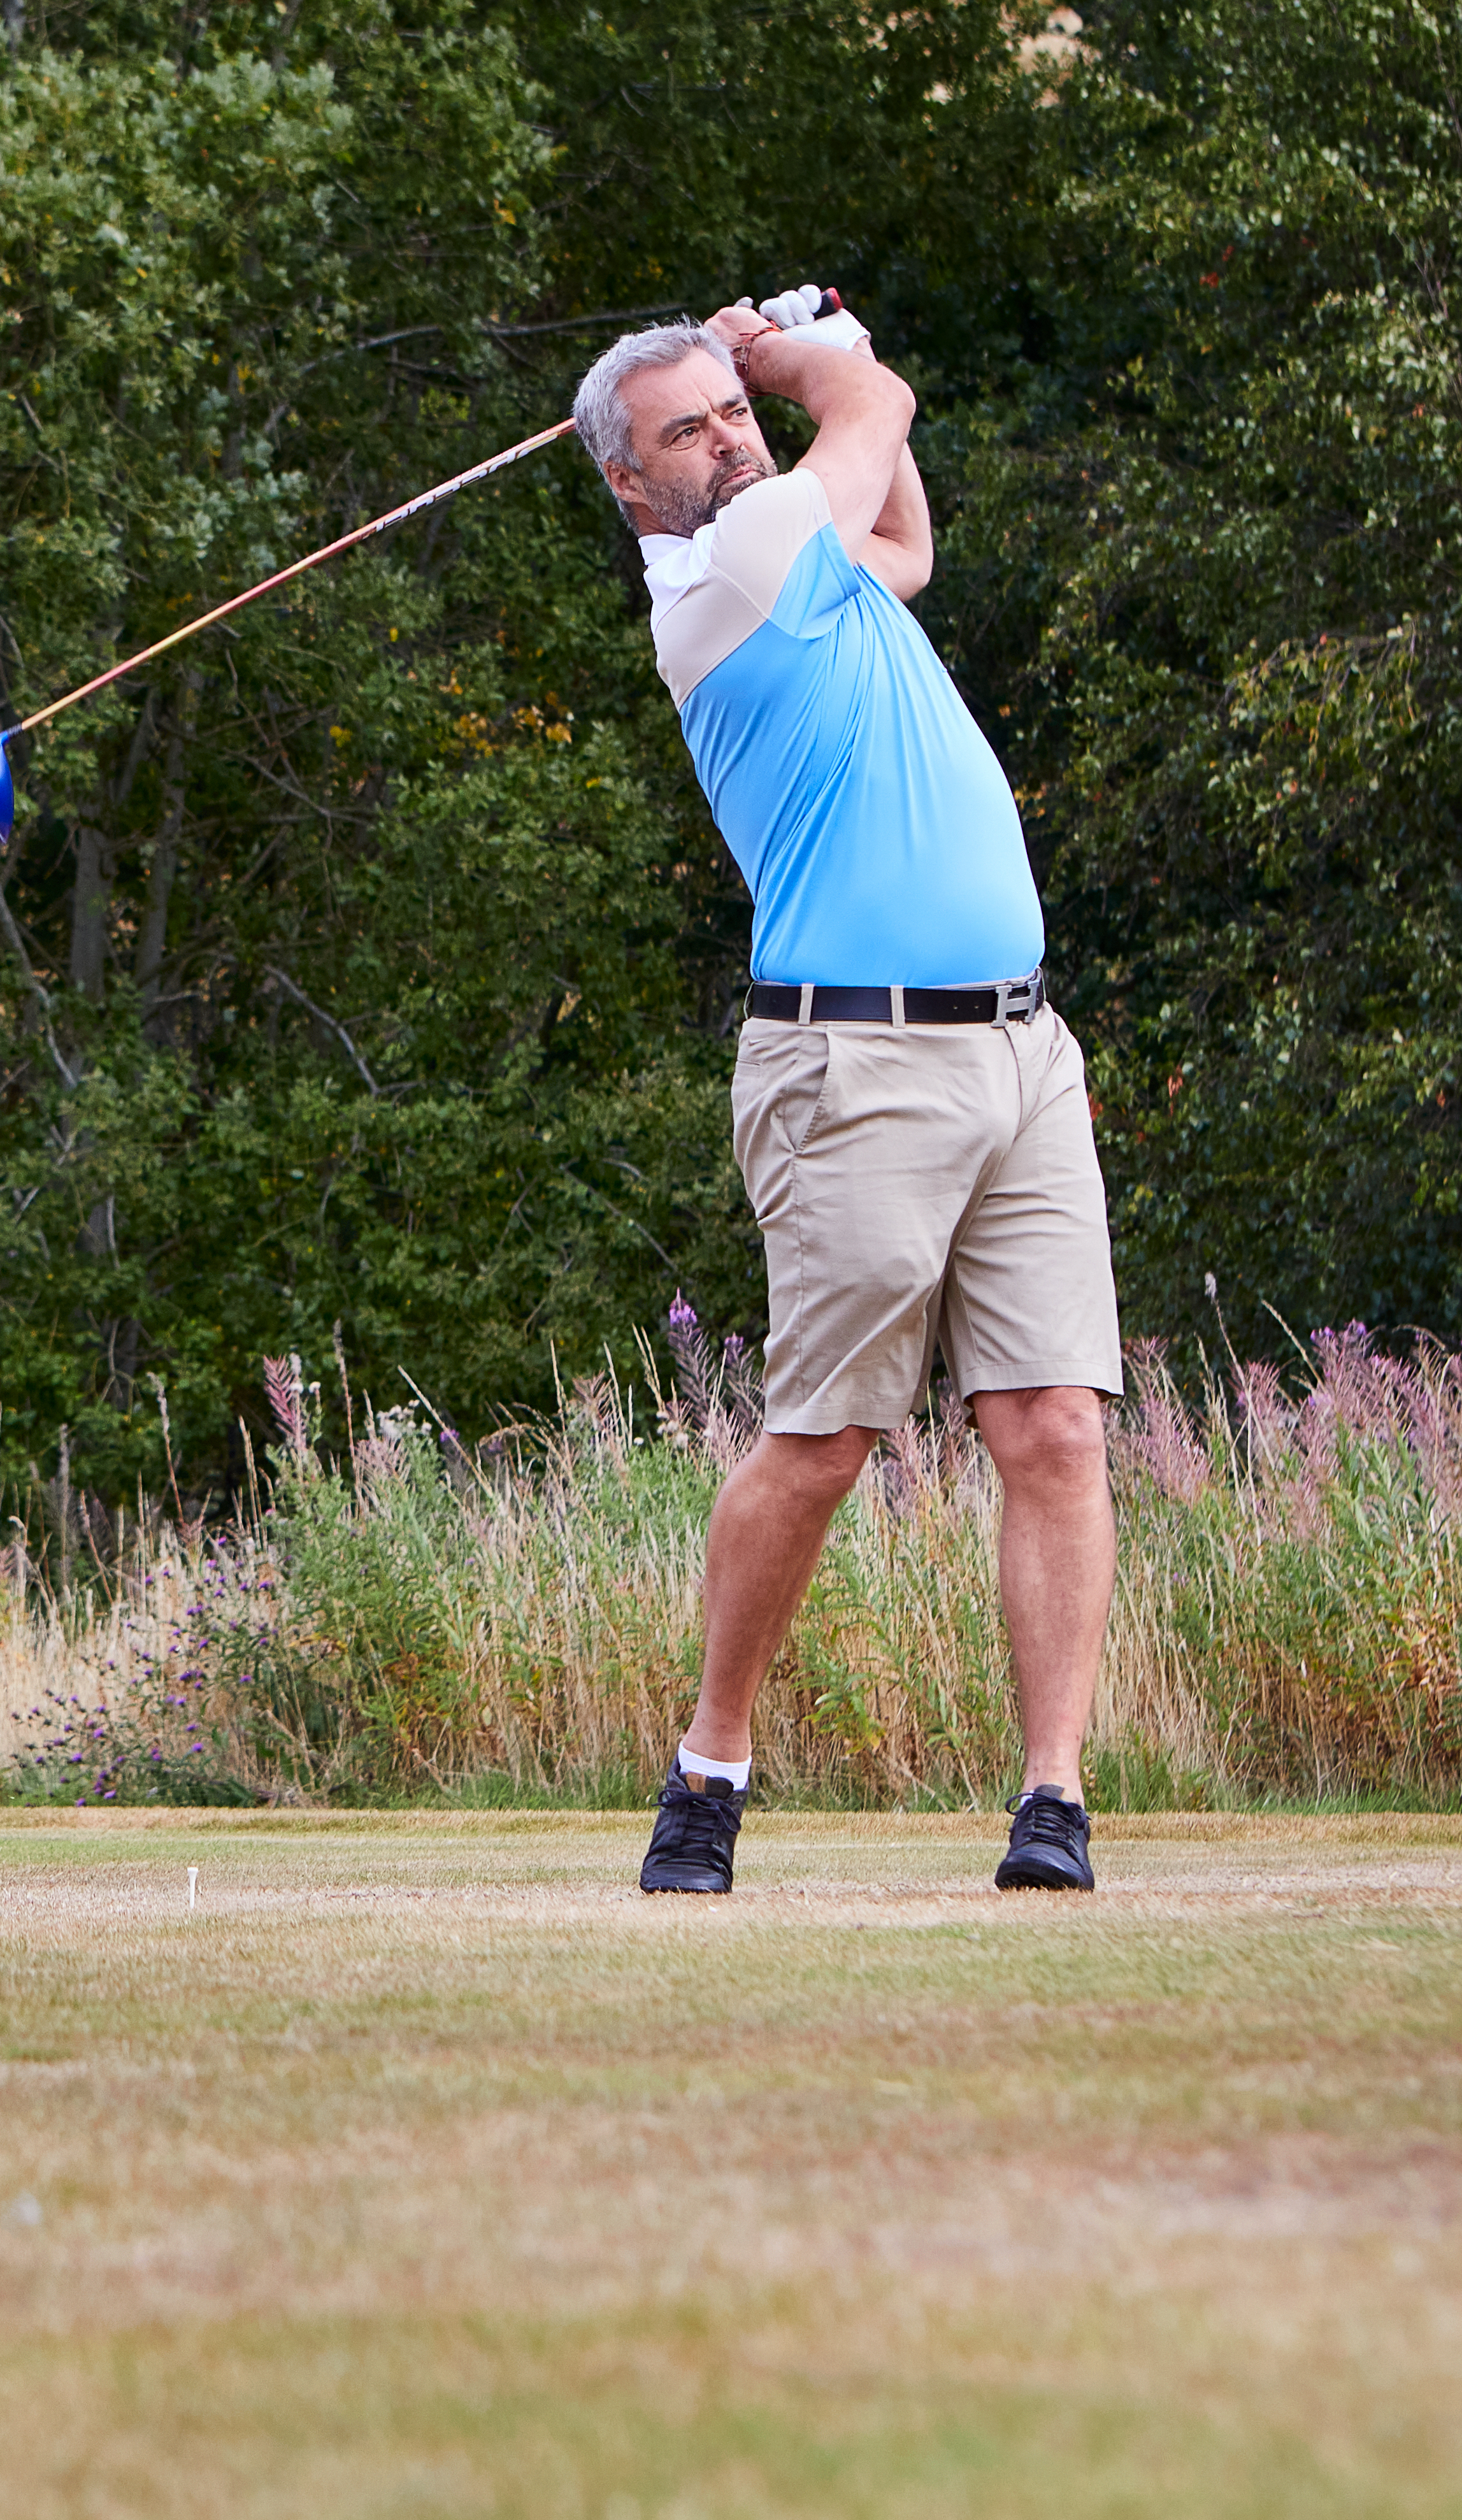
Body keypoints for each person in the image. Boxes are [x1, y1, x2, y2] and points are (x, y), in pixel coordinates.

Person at [572, 291, 1115, 1894]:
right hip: (850, 1062)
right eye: (690, 426)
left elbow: (910, 535)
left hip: (1021, 1049)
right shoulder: (726, 577)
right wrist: (804, 351)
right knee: (826, 1438)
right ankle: (711, 1767)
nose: (727, 439)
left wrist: (833, 346)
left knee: (1055, 1424)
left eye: (731, 415)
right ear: (629, 483)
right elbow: (874, 417)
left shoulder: (814, 557)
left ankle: (1054, 1803)